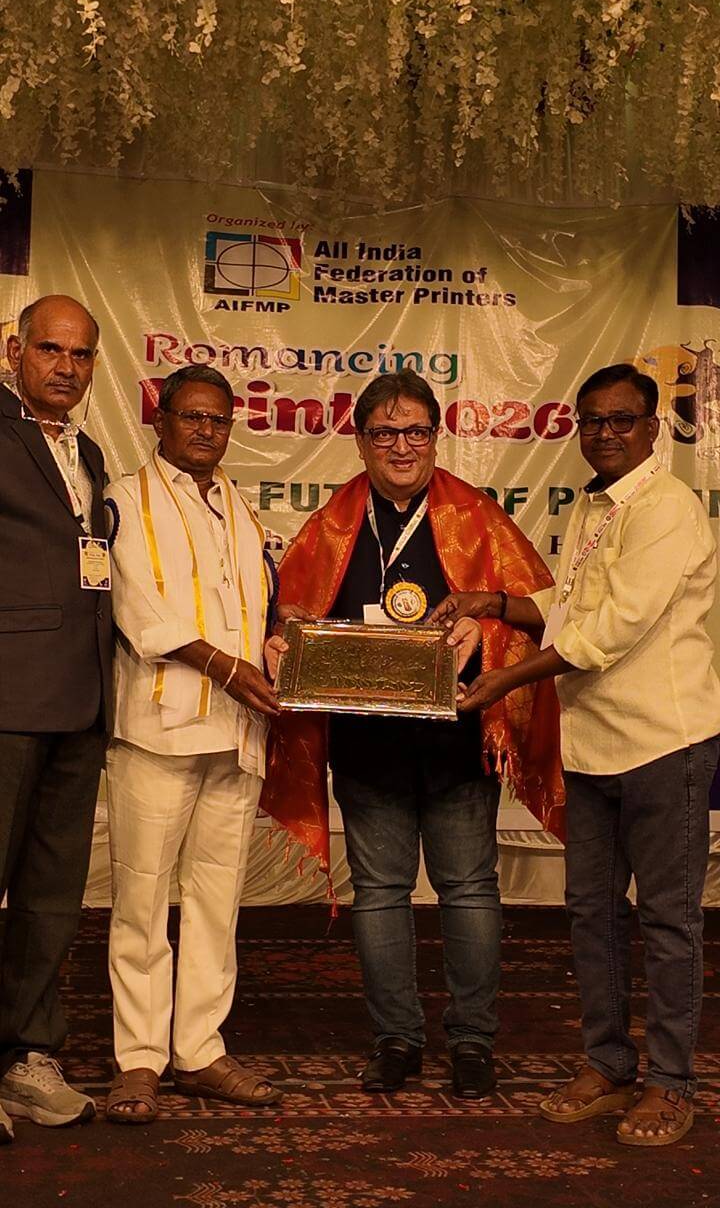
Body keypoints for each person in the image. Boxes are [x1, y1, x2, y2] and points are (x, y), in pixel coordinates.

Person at [434, 363, 720, 1145]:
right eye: (591, 421)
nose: (604, 433)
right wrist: (495, 602)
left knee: (666, 919)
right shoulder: (596, 506)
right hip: (592, 745)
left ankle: (670, 1083)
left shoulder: (667, 509)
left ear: (653, 429)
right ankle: (609, 1064)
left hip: (664, 743)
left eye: (621, 420)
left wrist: (505, 678)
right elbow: (571, 606)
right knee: (592, 912)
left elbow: (609, 630)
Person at [261, 371, 563, 1098]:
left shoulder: (476, 516)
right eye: (386, 433)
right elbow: (289, 611)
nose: (402, 446)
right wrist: (284, 633)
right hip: (367, 745)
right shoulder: (332, 522)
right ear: (360, 440)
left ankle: (473, 1042)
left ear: (436, 436)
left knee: (468, 889)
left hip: (457, 740)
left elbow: (542, 609)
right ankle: (395, 1039)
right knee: (378, 892)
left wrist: (484, 628)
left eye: (417, 431)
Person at [104, 365, 285, 1123]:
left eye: (219, 420)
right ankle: (139, 1061)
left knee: (216, 898)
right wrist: (229, 667)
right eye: (192, 417)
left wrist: (274, 648)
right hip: (159, 727)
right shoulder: (123, 498)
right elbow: (137, 609)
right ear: (161, 421)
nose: (207, 430)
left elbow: (259, 607)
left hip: (236, 731)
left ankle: (200, 1050)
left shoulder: (241, 508)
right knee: (142, 899)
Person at [0, 296, 112, 1143]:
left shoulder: (89, 452)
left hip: (81, 699)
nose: (65, 366)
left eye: (80, 354)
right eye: (49, 349)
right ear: (15, 352)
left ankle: (27, 1056)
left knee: (50, 894)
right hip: (6, 697)